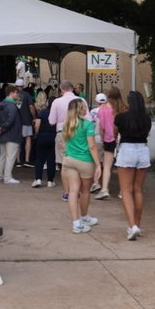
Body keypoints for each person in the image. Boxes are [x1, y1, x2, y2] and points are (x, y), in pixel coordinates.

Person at [114, 90, 153, 240]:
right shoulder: (146, 119)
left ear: (129, 103)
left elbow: (114, 131)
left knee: (126, 190)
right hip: (143, 150)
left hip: (127, 150)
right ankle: (137, 224)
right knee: (138, 190)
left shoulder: (121, 117)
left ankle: (132, 226)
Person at [60, 98, 101, 234]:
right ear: (80, 109)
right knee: (85, 191)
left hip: (69, 160)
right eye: (84, 106)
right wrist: (98, 164)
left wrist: (67, 153)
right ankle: (84, 217)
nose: (86, 109)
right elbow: (92, 146)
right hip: (85, 161)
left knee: (73, 191)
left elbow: (63, 143)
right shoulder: (88, 124)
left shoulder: (66, 124)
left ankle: (76, 223)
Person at [95, 86, 126, 200]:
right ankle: (123, 190)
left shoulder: (103, 108)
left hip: (108, 139)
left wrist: (103, 139)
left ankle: (104, 189)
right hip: (122, 139)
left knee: (107, 166)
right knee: (122, 166)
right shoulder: (123, 108)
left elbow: (101, 127)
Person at [0, 85, 22, 185]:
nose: (18, 94)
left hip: (1, 134)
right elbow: (11, 120)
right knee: (10, 156)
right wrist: (3, 128)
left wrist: (0, 128)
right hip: (12, 134)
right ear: (11, 93)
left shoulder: (0, 104)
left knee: (1, 156)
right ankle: (7, 177)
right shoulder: (12, 106)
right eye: (16, 92)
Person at [31, 92, 56, 188]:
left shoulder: (42, 112)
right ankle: (50, 181)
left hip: (42, 137)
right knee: (51, 160)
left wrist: (36, 135)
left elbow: (37, 125)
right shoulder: (56, 114)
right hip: (53, 137)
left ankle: (38, 179)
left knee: (39, 160)